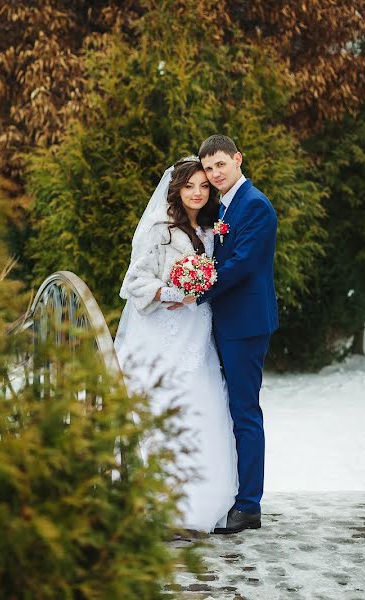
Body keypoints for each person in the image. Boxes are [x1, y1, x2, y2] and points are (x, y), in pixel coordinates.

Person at [114, 156, 238, 533]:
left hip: (197, 334)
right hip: (162, 332)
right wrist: (172, 290)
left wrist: (197, 291)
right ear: (176, 189)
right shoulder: (158, 229)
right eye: (190, 186)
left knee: (201, 406)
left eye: (204, 186)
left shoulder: (212, 231)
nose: (198, 193)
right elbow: (134, 282)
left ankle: (198, 503)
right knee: (159, 406)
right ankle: (152, 499)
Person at [192, 134, 278, 534]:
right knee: (228, 409)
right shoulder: (224, 205)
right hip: (225, 322)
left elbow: (242, 265)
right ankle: (232, 495)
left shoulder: (255, 206)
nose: (214, 174)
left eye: (220, 165)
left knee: (245, 413)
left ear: (238, 159)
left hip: (245, 325)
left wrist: (196, 290)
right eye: (209, 168)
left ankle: (248, 507)